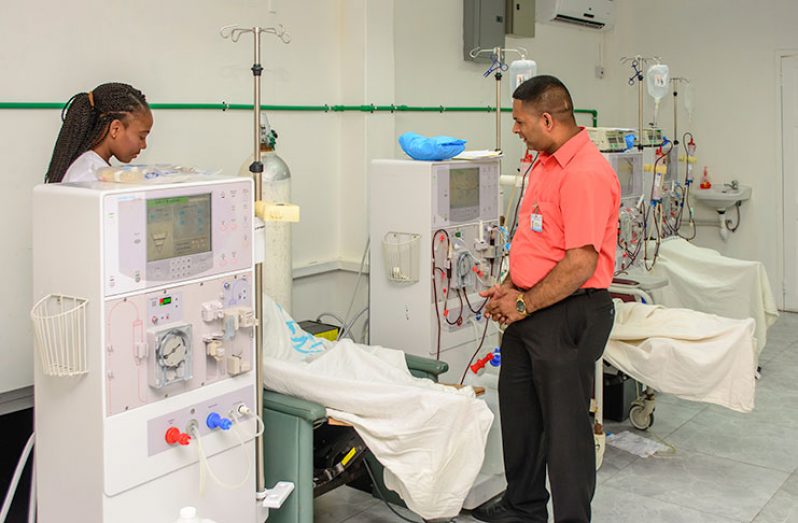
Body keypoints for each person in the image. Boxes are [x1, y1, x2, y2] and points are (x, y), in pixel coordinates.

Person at [474, 75, 620, 523]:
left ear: (546, 118)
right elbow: (538, 241)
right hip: (532, 310)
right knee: (521, 419)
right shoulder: (544, 163)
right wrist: (512, 286)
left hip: (570, 313)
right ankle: (523, 508)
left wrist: (523, 302)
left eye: (519, 121)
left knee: (565, 432)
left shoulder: (585, 173)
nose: (515, 129)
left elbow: (579, 263)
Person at [45, 82, 152, 183]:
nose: (144, 146)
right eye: (141, 137)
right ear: (115, 129)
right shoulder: (88, 176)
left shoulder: (95, 168)